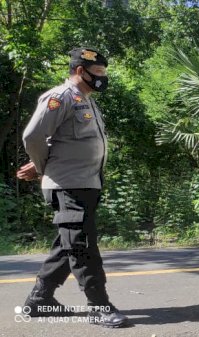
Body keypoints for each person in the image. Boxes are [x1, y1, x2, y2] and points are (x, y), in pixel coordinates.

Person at [16, 47, 128, 328]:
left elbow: (63, 139)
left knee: (69, 243)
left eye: (104, 72)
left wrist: (47, 159)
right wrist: (43, 166)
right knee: (82, 245)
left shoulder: (87, 100)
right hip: (68, 184)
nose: (103, 78)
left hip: (87, 183)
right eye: (98, 73)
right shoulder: (60, 97)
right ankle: (99, 306)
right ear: (81, 71)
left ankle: (39, 301)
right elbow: (33, 136)